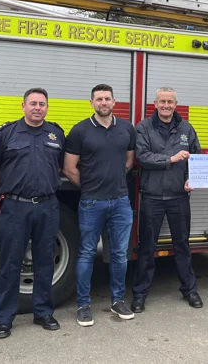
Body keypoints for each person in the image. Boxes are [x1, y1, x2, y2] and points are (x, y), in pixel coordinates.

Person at [0, 87, 65, 339]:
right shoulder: (6, 133)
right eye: (33, 103)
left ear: (47, 107)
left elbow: (61, 166)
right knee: (10, 263)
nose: (37, 108)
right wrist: (9, 189)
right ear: (23, 106)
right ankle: (5, 319)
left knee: (44, 261)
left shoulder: (56, 133)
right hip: (15, 207)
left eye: (42, 104)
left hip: (48, 206)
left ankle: (42, 312)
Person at [64, 84, 137, 326]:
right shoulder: (80, 130)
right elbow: (69, 167)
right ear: (91, 103)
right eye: (98, 99)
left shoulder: (126, 128)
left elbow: (129, 160)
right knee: (86, 253)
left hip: (120, 202)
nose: (103, 102)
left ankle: (117, 300)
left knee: (119, 254)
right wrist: (89, 189)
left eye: (107, 98)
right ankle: (83, 305)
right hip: (91, 202)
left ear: (114, 102)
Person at [130, 87, 203, 313]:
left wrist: (192, 178)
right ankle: (140, 294)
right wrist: (170, 159)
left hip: (179, 197)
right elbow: (142, 157)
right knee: (146, 248)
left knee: (182, 245)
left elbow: (196, 158)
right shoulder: (143, 128)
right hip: (152, 197)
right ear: (155, 103)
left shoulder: (186, 128)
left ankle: (189, 289)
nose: (166, 105)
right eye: (162, 101)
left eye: (170, 101)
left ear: (175, 104)